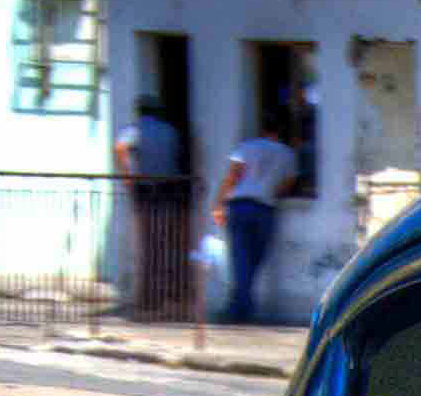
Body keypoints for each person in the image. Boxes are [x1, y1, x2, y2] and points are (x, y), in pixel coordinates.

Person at [208, 110, 299, 326]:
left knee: (240, 258)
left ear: (263, 129)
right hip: (265, 208)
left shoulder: (247, 147)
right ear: (281, 132)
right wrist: (270, 192)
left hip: (240, 206)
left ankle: (238, 309)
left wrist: (219, 203)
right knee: (255, 259)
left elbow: (233, 175)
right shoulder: (287, 153)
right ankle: (241, 307)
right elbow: (289, 182)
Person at [114, 95, 189, 319]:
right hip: (170, 189)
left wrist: (128, 176)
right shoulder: (170, 131)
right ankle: (171, 295)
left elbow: (119, 148)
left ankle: (149, 298)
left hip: (147, 189)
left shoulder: (135, 130)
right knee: (167, 243)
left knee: (148, 244)